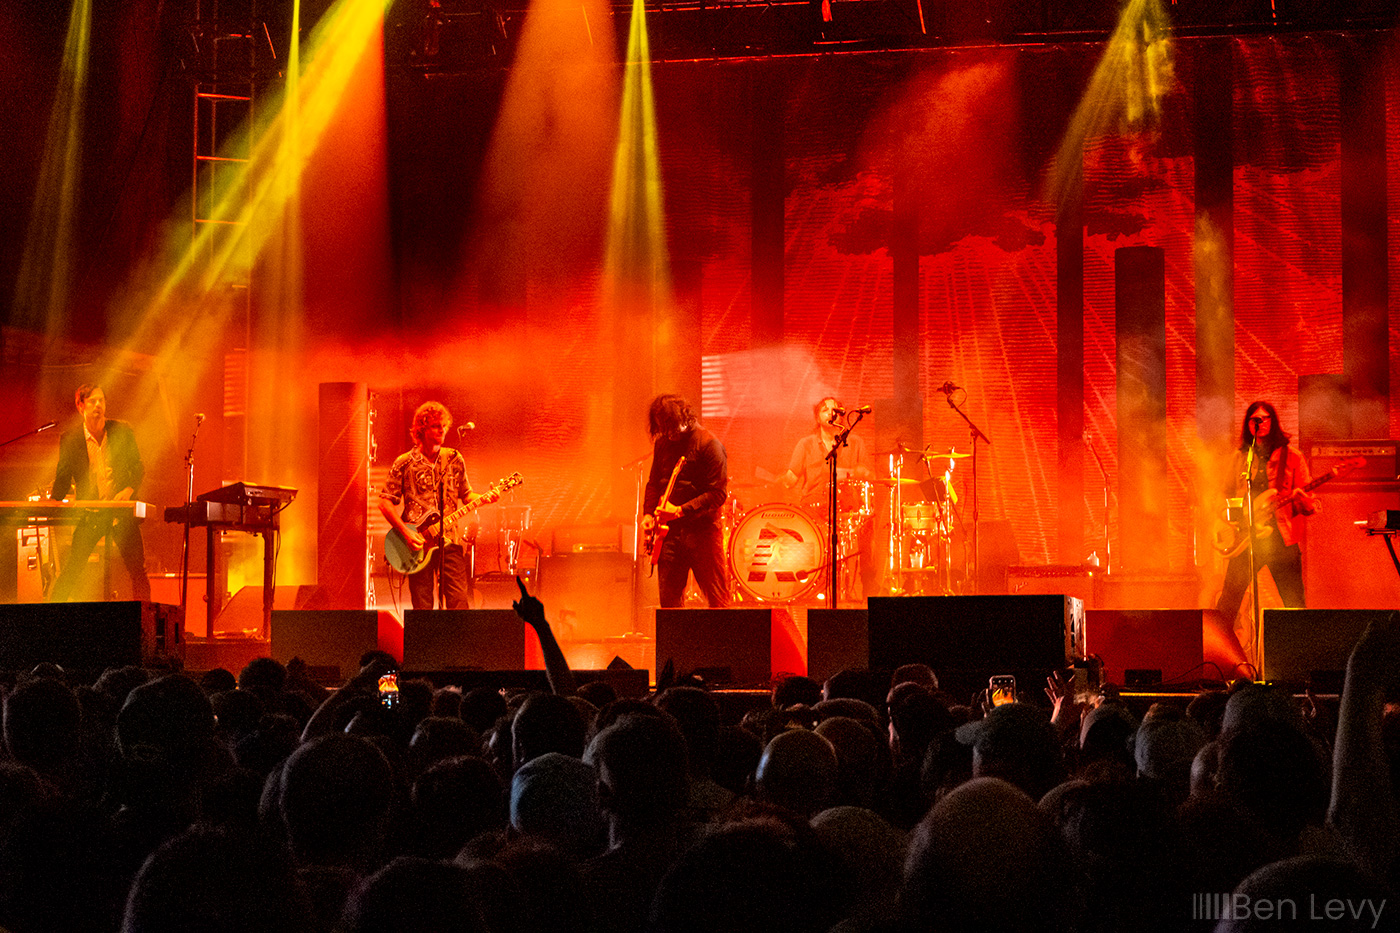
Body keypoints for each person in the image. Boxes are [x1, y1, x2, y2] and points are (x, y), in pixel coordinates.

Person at [380, 401, 491, 610]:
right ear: (421, 429)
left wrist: (485, 497)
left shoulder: (454, 459)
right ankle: (426, 643)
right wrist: (405, 532)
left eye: (444, 426)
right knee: (422, 604)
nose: (442, 430)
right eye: (435, 425)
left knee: (459, 600)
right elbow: (385, 502)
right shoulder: (404, 463)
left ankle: (457, 642)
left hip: (450, 540)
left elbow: (466, 495)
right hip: (417, 543)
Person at [1215, 401, 1317, 624]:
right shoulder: (1240, 457)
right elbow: (1223, 495)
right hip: (1246, 537)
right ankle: (1219, 653)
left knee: (1294, 603)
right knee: (1228, 601)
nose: (1259, 422)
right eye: (1254, 419)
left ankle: (1299, 653)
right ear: (1248, 424)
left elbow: (1308, 507)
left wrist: (1303, 500)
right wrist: (1230, 521)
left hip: (1281, 539)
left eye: (1264, 418)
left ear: (1273, 422)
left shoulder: (1293, 457)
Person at [49, 384, 150, 602]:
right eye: (93, 401)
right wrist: (51, 503)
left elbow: (138, 467)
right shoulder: (71, 439)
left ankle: (146, 623)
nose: (98, 405)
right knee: (72, 569)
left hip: (121, 513)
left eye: (101, 400)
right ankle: (49, 618)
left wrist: (129, 490)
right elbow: (63, 478)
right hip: (91, 513)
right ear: (80, 406)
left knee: (137, 570)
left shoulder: (122, 431)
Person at [782, 397, 876, 598]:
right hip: (814, 506)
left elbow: (869, 475)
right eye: (825, 409)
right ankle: (817, 587)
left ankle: (868, 590)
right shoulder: (805, 444)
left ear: (841, 415)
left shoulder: (856, 442)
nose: (831, 412)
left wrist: (851, 472)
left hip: (849, 505)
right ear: (817, 417)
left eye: (835, 409)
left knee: (868, 527)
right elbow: (791, 477)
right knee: (817, 541)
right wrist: (780, 480)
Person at [642, 394, 730, 608]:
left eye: (672, 427)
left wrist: (680, 510)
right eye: (664, 428)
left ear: (686, 418)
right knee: (669, 603)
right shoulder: (663, 443)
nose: (669, 434)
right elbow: (654, 482)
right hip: (668, 534)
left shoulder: (709, 444)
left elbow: (718, 494)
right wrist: (647, 513)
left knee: (718, 600)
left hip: (703, 533)